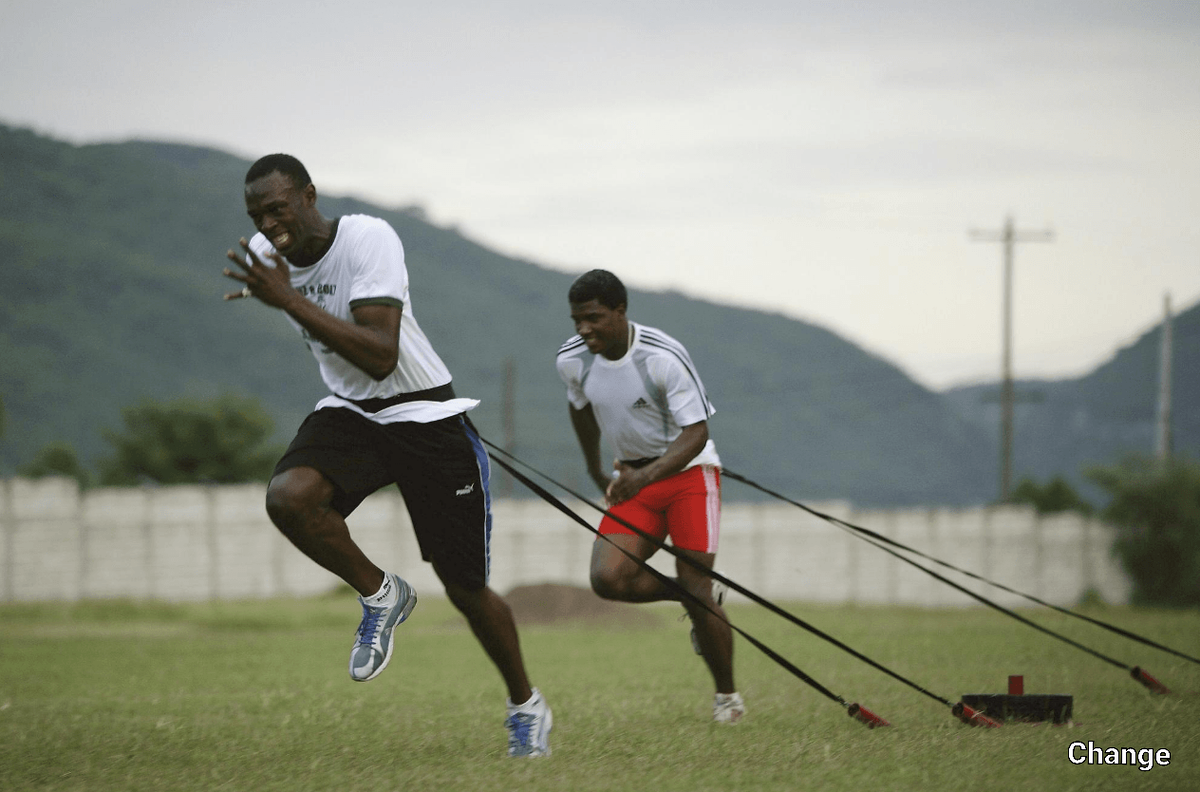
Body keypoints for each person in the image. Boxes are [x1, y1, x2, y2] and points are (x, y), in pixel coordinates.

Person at [222, 153, 551, 757]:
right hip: (352, 414)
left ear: (309, 197)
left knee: (466, 590)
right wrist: (276, 289)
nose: (268, 224)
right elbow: (352, 369)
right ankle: (382, 594)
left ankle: (526, 706)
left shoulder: (368, 239)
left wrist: (286, 299)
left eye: (278, 208)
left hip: (423, 415)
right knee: (289, 498)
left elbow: (381, 354)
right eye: (256, 215)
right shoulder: (273, 264)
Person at [555, 269, 744, 723]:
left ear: (620, 312)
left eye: (594, 318)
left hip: (689, 476)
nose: (584, 329)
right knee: (608, 580)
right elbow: (579, 408)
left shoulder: (662, 357)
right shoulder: (571, 360)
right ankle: (694, 601)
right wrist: (595, 467)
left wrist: (647, 476)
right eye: (577, 319)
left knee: (697, 580)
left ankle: (727, 699)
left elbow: (697, 433)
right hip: (631, 480)